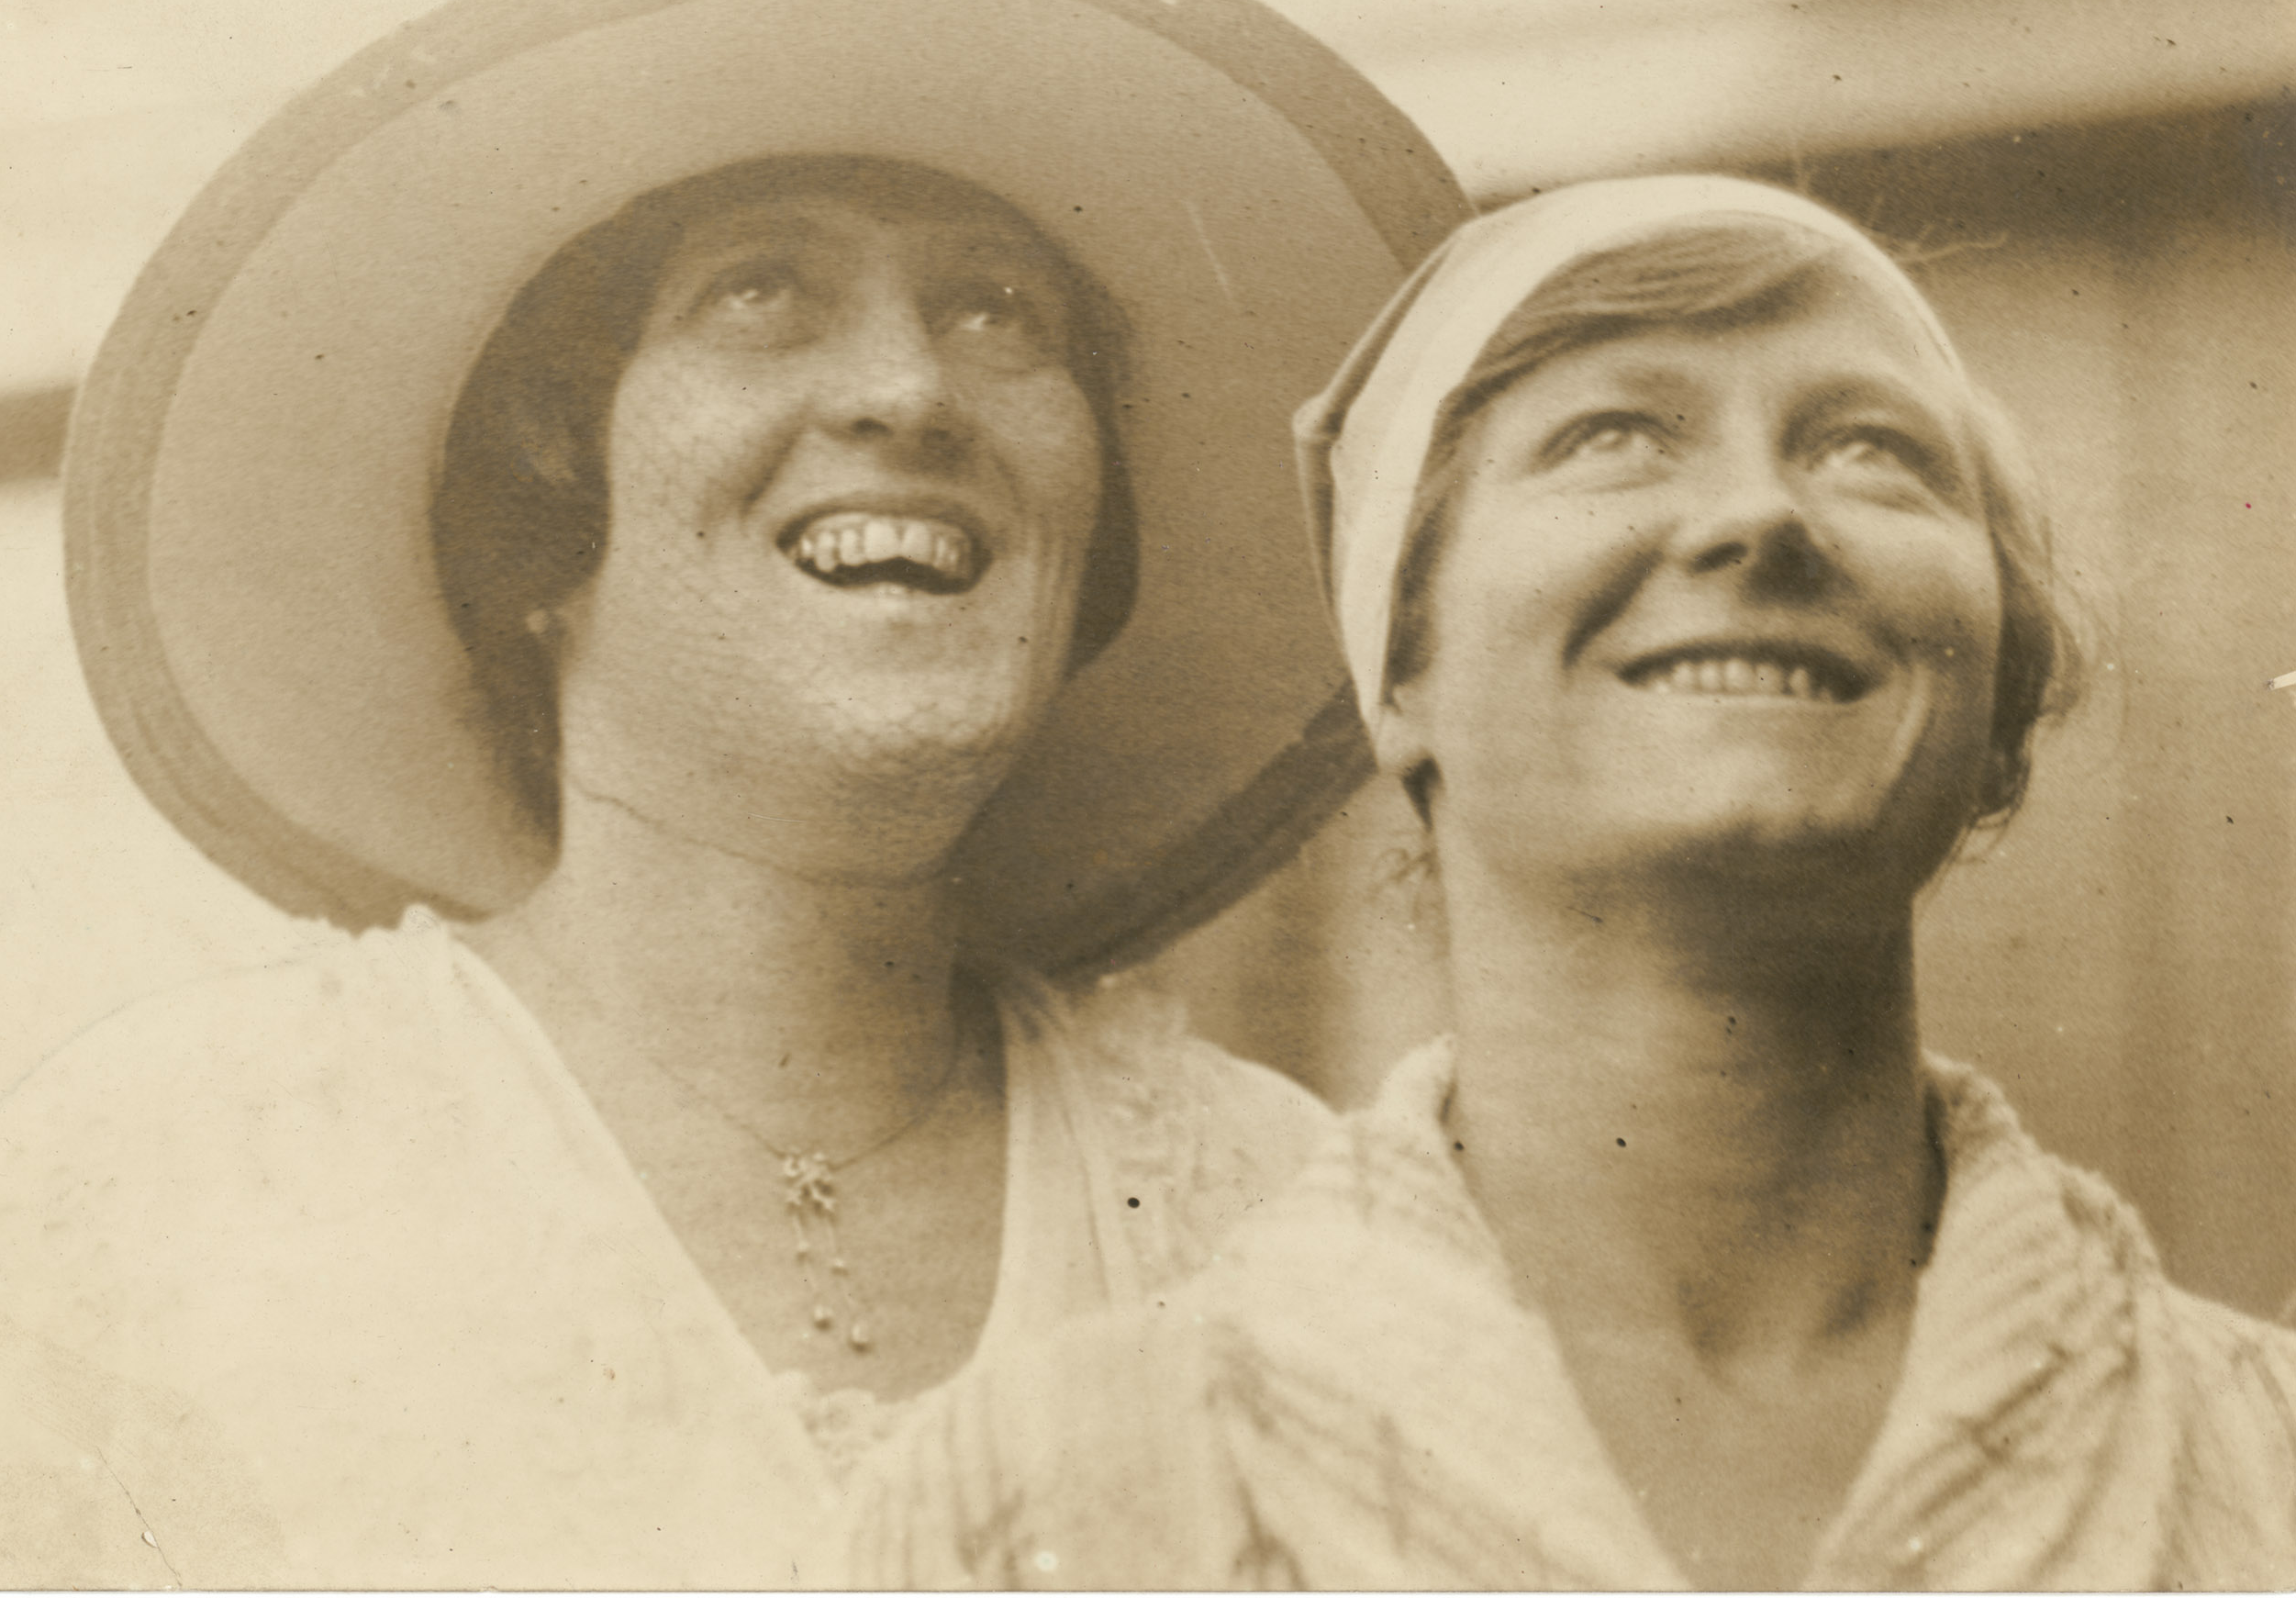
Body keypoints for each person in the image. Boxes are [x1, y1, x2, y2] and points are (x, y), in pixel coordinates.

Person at [0, 0, 1468, 1588]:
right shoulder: (172, 1179)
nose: (910, 395)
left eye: (1003, 315)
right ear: (541, 504)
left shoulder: (1293, 1219)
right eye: (761, 296)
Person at [842, 176, 2296, 1589]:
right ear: (1398, 675)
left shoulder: (2267, 1448)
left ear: (1998, 711)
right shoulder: (1027, 1499)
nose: (1760, 516)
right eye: (1616, 436)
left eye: (1869, 450)